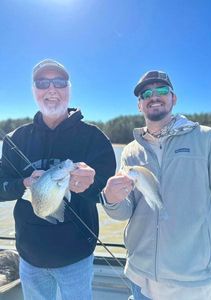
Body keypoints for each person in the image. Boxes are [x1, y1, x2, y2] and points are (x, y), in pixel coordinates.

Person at [100, 70, 211, 300]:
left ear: (173, 98)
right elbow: (125, 211)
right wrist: (110, 198)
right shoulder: (130, 151)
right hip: (140, 278)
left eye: (162, 90)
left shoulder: (206, 138)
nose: (154, 96)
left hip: (193, 283)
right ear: (140, 105)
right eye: (146, 93)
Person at [0, 58, 116, 300]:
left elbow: (109, 193)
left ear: (69, 90)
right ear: (34, 91)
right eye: (42, 82)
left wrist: (91, 184)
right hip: (29, 257)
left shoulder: (94, 138)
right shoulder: (15, 140)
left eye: (59, 82)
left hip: (77, 257)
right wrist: (22, 184)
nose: (51, 89)